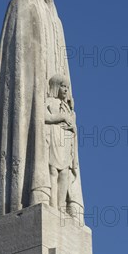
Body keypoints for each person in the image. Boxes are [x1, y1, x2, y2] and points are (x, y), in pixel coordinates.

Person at [0, 0, 84, 222]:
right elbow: (18, 62)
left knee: (60, 163)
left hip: (53, 98)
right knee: (36, 151)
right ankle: (32, 193)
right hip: (32, 93)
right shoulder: (21, 4)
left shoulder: (56, 19)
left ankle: (64, 203)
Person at [45, 74, 78, 213]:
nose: (65, 90)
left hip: (66, 140)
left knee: (64, 172)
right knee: (53, 169)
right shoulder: (50, 101)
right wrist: (62, 117)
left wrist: (73, 128)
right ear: (56, 86)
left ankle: (61, 206)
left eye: (67, 87)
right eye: (63, 86)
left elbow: (73, 125)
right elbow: (45, 117)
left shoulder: (68, 107)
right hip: (55, 135)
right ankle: (52, 204)